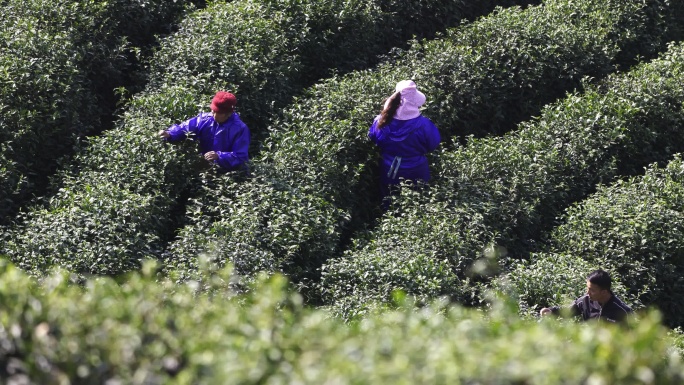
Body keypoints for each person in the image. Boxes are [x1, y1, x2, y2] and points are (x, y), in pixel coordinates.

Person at [368, 80, 441, 203]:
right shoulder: (424, 125)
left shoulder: (381, 121)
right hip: (417, 169)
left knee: (389, 200)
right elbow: (433, 144)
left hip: (389, 168)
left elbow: (373, 138)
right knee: (419, 200)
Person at [158, 91, 250, 171]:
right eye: (212, 110)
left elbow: (240, 157)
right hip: (206, 168)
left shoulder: (240, 129)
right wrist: (169, 133)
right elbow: (186, 127)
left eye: (216, 112)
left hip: (229, 174)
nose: (212, 113)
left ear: (227, 114)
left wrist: (219, 157)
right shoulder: (205, 119)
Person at [540, 269, 633, 323]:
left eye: (592, 290)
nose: (587, 293)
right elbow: (568, 310)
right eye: (587, 288)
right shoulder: (585, 300)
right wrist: (551, 311)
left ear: (604, 292)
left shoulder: (623, 311)